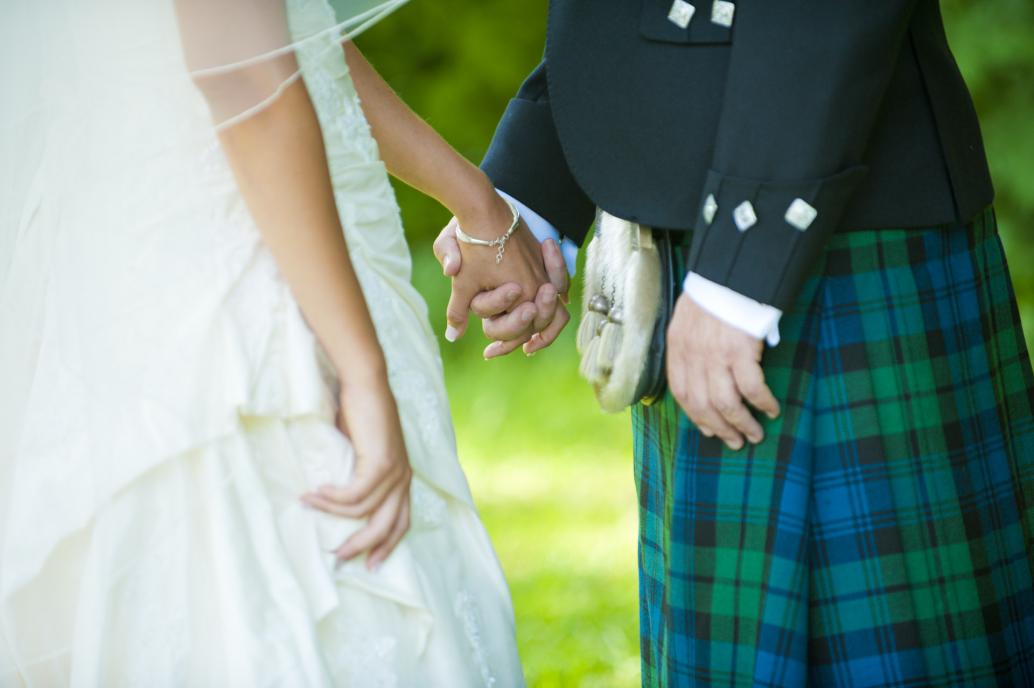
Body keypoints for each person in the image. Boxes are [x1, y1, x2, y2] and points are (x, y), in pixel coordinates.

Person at [436, 0, 1034, 685]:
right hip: (722, 241)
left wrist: (744, 262)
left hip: (822, 244)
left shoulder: (745, 271)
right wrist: (526, 194)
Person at [0, 0, 532, 684]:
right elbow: (247, 84)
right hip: (240, 281)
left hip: (247, 230)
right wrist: (361, 370)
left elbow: (296, 31)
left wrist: (477, 202)